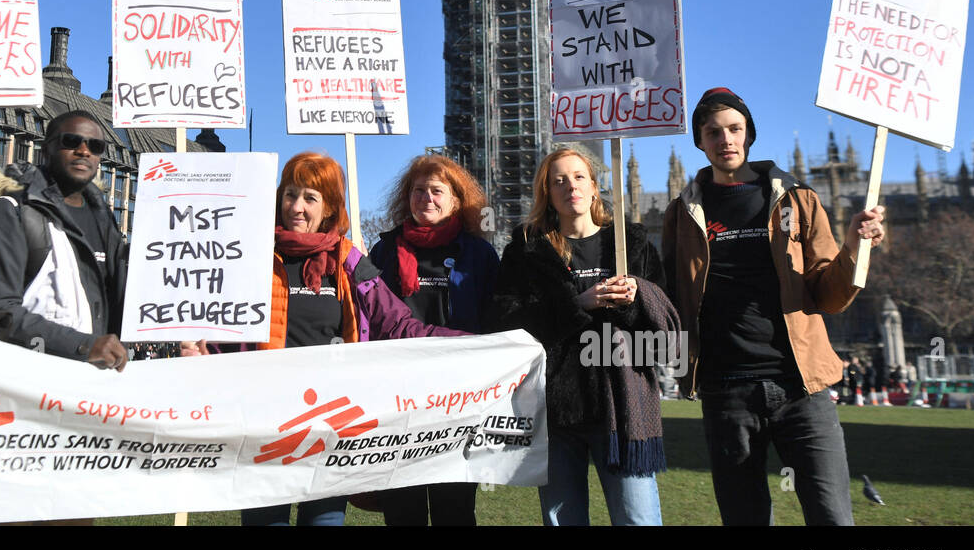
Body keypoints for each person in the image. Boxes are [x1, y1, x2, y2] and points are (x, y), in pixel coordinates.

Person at [183, 151, 467, 526]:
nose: (296, 207)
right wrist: (200, 350)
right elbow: (224, 335)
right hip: (265, 433)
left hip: (331, 436)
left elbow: (399, 325)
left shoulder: (350, 263)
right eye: (290, 194)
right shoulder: (249, 255)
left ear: (330, 207)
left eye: (310, 198)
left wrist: (471, 344)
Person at [662, 87, 886, 526]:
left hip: (801, 386)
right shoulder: (680, 212)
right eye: (712, 132)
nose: (725, 139)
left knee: (832, 516)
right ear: (700, 141)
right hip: (727, 390)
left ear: (748, 134)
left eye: (734, 129)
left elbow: (828, 293)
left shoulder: (797, 198)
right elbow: (671, 293)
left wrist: (855, 248)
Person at [489, 147, 677, 526]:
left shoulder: (631, 244)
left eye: (577, 176)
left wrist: (637, 298)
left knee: (638, 519)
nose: (569, 185)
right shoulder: (525, 253)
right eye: (557, 180)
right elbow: (506, 323)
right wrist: (578, 304)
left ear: (595, 186)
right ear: (547, 192)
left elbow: (666, 334)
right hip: (556, 409)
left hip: (623, 407)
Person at [367, 154, 499, 526]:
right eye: (418, 190)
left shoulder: (480, 255)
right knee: (402, 509)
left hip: (459, 400)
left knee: (454, 509)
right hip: (398, 401)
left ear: (457, 200)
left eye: (437, 190)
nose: (426, 197)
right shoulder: (384, 251)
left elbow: (495, 322)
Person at [0, 111, 128, 370]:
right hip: (31, 383)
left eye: (95, 146)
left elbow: (120, 306)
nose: (83, 151)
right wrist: (83, 346)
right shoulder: (11, 211)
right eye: (71, 141)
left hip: (93, 389)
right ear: (46, 149)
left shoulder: (106, 222)